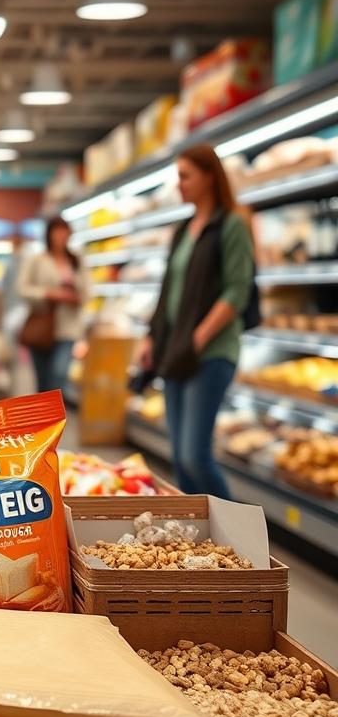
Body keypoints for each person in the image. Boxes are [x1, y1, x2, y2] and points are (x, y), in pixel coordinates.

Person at [136, 143, 256, 499]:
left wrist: (198, 339)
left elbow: (236, 292)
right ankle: (198, 540)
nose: (180, 185)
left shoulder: (232, 225)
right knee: (180, 458)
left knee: (195, 455)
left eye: (185, 176)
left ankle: (241, 537)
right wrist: (151, 338)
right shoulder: (183, 229)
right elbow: (168, 290)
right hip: (177, 352)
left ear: (209, 177)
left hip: (211, 352)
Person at [16, 216, 89, 395]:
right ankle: (43, 420)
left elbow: (88, 291)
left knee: (59, 374)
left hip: (68, 327)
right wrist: (48, 293)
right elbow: (21, 289)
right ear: (49, 234)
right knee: (43, 381)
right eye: (57, 231)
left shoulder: (77, 260)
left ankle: (56, 419)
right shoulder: (36, 260)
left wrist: (75, 295)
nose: (61, 236)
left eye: (64, 231)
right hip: (42, 327)